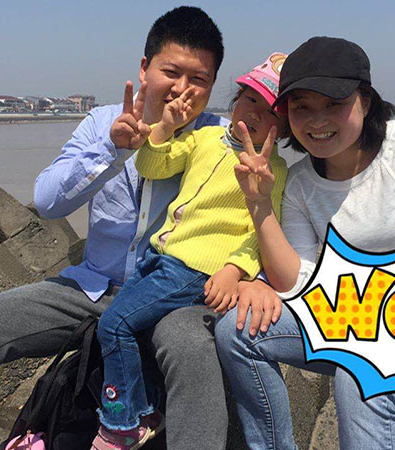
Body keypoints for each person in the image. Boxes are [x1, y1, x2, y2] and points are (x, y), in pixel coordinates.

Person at [0, 7, 275, 450]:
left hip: (170, 298)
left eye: (200, 80)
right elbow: (47, 201)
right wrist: (112, 150)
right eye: (172, 72)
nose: (183, 89)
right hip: (91, 288)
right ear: (145, 68)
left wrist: (258, 279)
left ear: (213, 86)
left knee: (194, 353)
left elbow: (266, 215)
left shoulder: (226, 139)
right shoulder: (101, 122)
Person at [215, 36, 395, 450]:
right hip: (367, 320)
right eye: (302, 107)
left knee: (361, 375)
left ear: (365, 100)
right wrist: (259, 206)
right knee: (238, 331)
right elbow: (299, 285)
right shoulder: (300, 185)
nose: (318, 121)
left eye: (334, 103)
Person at [91, 53, 289, 450]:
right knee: (131, 327)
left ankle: (122, 423)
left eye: (270, 112)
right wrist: (166, 127)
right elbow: (152, 166)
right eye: (250, 99)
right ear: (236, 100)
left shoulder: (273, 171)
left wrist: (234, 271)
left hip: (194, 270)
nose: (254, 113)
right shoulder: (204, 138)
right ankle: (146, 409)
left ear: (284, 131)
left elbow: (262, 233)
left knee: (113, 325)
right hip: (160, 258)